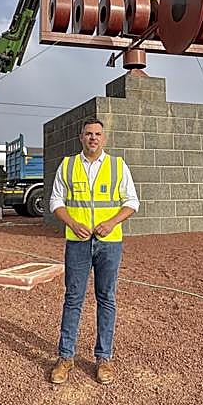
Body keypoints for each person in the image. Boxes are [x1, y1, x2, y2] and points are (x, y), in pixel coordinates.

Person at [49, 117, 139, 386]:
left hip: (109, 243)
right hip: (77, 243)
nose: (93, 138)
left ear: (104, 138)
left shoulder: (117, 166)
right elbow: (56, 200)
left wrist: (111, 222)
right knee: (73, 298)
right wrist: (73, 223)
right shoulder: (67, 166)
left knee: (106, 298)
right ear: (81, 137)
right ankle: (66, 357)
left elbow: (132, 201)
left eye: (98, 134)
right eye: (88, 133)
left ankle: (104, 359)